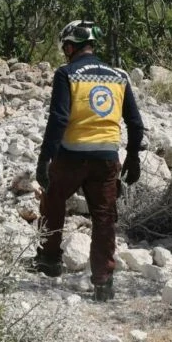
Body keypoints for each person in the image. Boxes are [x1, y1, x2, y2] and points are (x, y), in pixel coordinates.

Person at [33, 20, 145, 301]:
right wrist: (133, 156)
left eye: (65, 48)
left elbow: (59, 119)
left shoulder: (67, 73)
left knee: (53, 199)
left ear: (70, 47)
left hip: (71, 156)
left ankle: (49, 260)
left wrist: (44, 159)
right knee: (104, 217)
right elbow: (135, 122)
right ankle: (103, 282)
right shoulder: (119, 76)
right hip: (106, 159)